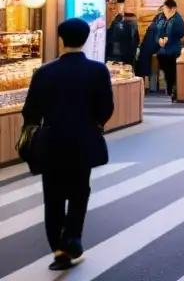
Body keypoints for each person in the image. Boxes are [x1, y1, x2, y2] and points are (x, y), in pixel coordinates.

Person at [22, 18, 114, 270]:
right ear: (85, 40)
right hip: (82, 140)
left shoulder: (44, 72)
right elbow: (106, 108)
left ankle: (58, 250)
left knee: (52, 196)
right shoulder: (97, 71)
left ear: (61, 39)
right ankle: (71, 239)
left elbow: (30, 111)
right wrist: (93, 123)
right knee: (78, 192)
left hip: (51, 141)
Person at [151, 0, 184, 101]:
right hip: (162, 51)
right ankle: (171, 90)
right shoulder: (161, 18)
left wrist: (168, 38)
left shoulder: (177, 19)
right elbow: (155, 31)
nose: (164, 10)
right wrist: (159, 39)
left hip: (173, 51)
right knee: (167, 73)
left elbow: (181, 32)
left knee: (172, 73)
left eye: (166, 8)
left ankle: (173, 92)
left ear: (172, 9)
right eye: (164, 8)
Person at [105, 0, 139, 67]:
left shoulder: (130, 20)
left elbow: (135, 38)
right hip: (114, 54)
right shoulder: (110, 19)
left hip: (123, 55)